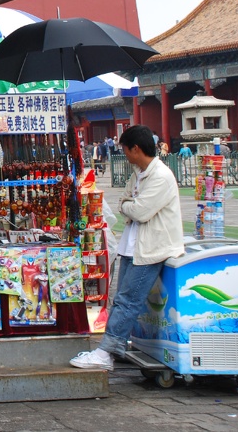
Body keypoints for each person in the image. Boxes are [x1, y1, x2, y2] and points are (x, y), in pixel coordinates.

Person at [70, 125, 184, 371]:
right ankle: (116, 346)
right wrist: (130, 206)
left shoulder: (160, 176)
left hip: (151, 248)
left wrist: (130, 206)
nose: (124, 154)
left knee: (128, 300)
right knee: (122, 298)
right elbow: (123, 202)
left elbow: (140, 211)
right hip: (132, 246)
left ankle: (105, 351)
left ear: (135, 149)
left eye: (125, 150)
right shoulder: (138, 174)